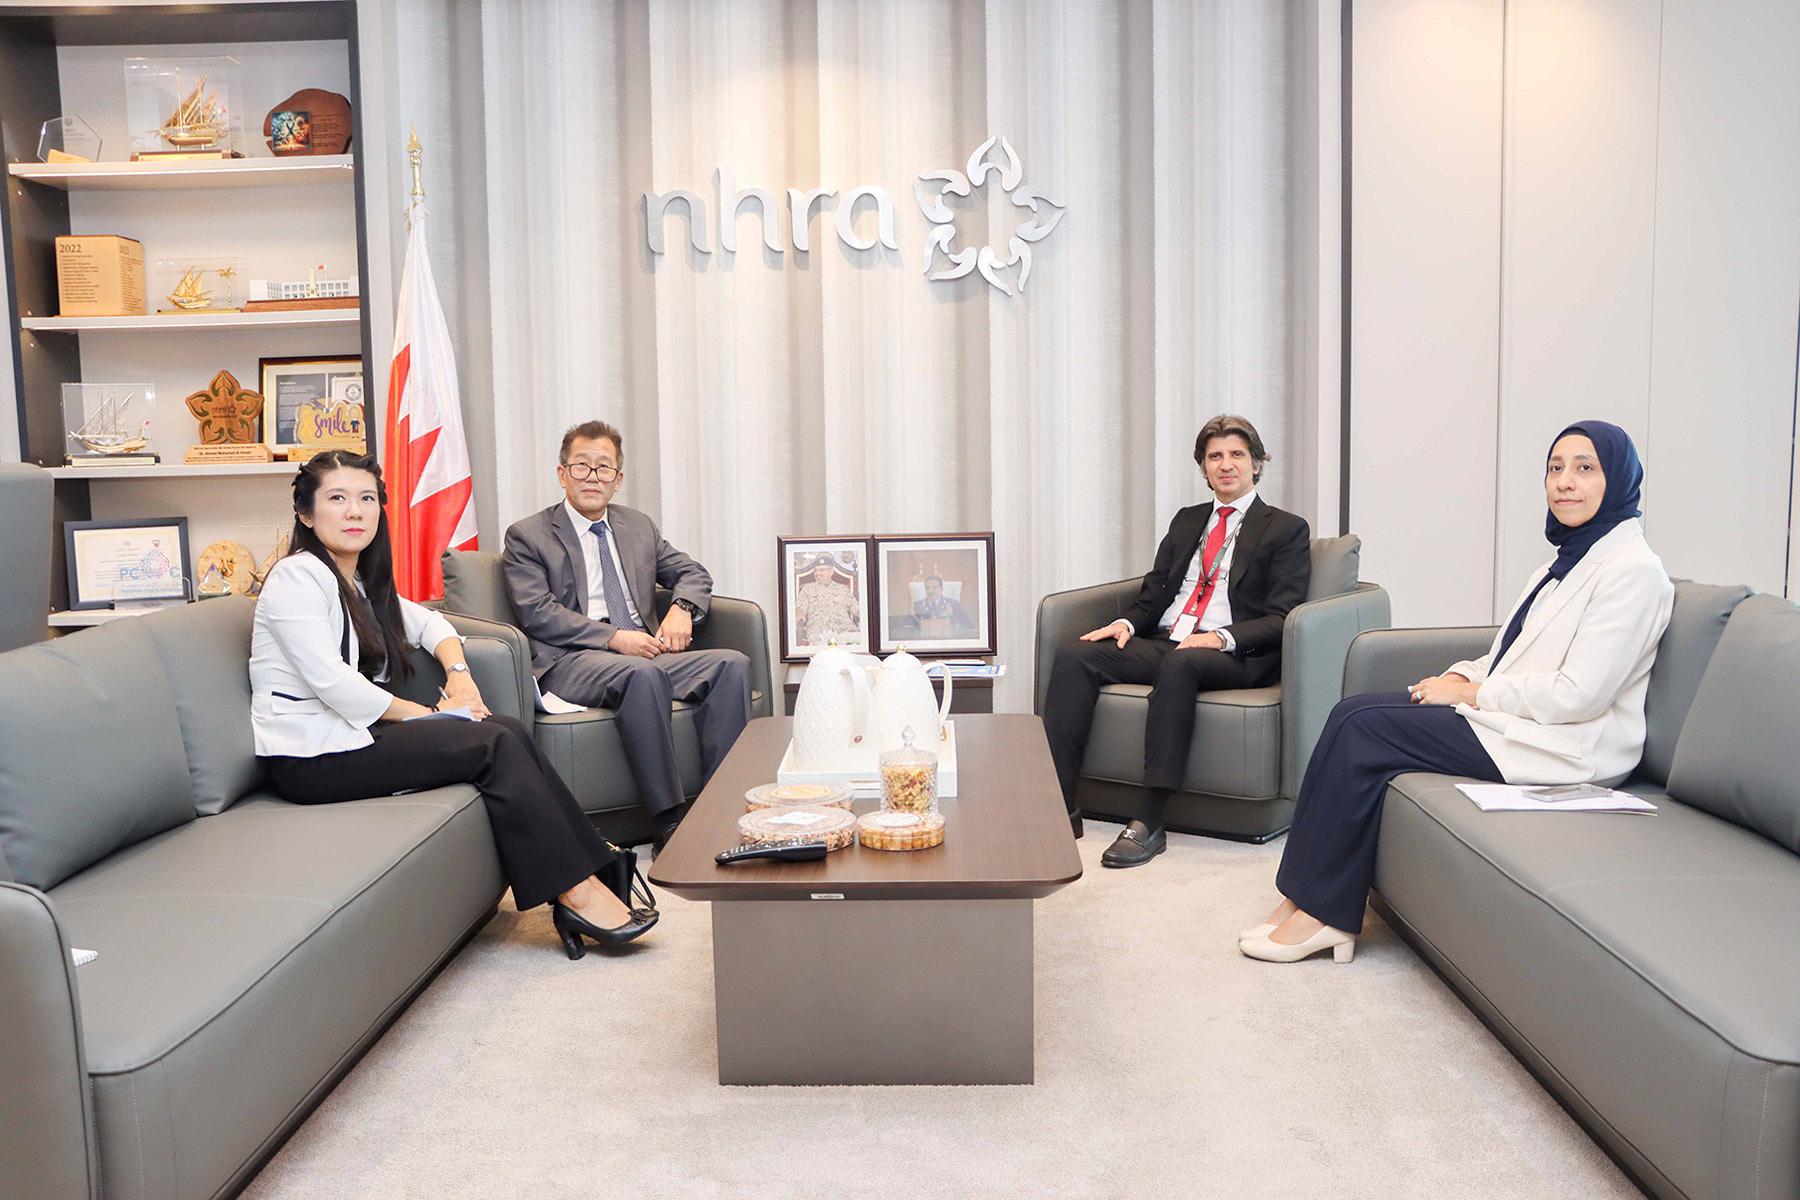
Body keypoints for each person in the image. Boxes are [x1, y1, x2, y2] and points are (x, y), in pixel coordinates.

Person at [1242, 420, 1673, 964]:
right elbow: (1509, 653)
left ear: (1619, 479)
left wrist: (1473, 696)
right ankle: (1302, 895)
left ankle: (1326, 914)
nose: (1565, 481)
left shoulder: (1634, 572)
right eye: (1555, 468)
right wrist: (1461, 677)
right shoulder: (1563, 563)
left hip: (1568, 744)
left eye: (1585, 468)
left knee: (1365, 730)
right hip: (1519, 720)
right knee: (1349, 711)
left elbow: (1578, 696)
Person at [250, 450, 656, 961]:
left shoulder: (356, 581)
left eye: (367, 499)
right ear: (306, 514)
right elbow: (333, 684)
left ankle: (593, 870)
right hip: (309, 759)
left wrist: (459, 678)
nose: (355, 511)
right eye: (337, 498)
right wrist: (434, 717)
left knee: (508, 729)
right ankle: (575, 891)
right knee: (491, 742)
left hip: (352, 740)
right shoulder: (295, 577)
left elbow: (432, 624)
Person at [1042, 414, 1311, 864]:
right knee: (1076, 655)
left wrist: (1219, 637)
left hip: (1235, 651)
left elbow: (1283, 616)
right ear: (1204, 467)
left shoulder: (1286, 528)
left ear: (1257, 463)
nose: (1226, 464)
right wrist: (1127, 624)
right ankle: (1059, 807)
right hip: (1171, 639)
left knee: (1180, 662)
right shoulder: (1188, 520)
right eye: (1215, 456)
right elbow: (1154, 592)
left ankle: (1149, 820)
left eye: (1237, 454)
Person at [502, 420, 751, 853]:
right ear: (562, 474)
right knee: (642, 674)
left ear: (618, 480)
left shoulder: (637, 526)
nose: (592, 477)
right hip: (571, 659)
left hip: (644, 650)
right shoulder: (528, 535)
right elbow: (537, 612)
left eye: (604, 468)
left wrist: (682, 609)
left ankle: (721, 810)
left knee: (731, 664)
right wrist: (614, 638)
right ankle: (667, 821)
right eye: (581, 466)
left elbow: (692, 573)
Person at [794, 553, 861, 646]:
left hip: (844, 626)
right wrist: (798, 614)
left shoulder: (843, 589)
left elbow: (856, 609)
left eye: (822, 570)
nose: (818, 573)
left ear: (831, 572)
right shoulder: (807, 589)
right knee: (815, 643)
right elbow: (800, 608)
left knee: (856, 640)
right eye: (816, 570)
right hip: (818, 627)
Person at [898, 575, 976, 638]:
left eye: (935, 587)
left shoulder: (953, 604)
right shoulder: (916, 606)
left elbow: (969, 627)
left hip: (948, 643)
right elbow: (905, 628)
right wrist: (918, 625)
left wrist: (951, 617)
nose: (931, 591)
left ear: (941, 589)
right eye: (927, 588)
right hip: (925, 643)